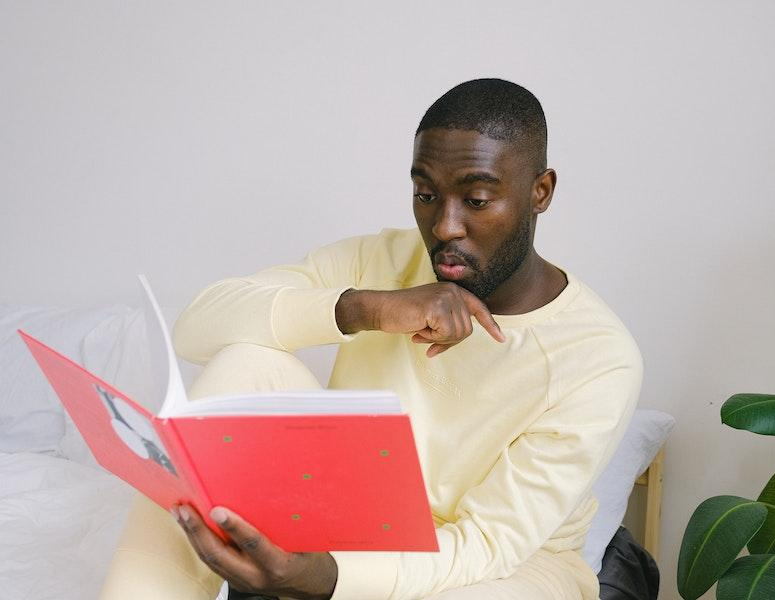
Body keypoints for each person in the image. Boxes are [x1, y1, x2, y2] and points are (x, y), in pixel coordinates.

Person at [100, 78, 642, 600]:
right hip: (356, 517)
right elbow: (197, 328)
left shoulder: (598, 357)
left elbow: (486, 543)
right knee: (249, 359)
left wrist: (325, 577)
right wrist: (363, 307)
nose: (444, 226)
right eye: (426, 195)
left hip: (512, 568)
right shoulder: (381, 261)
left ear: (540, 192)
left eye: (476, 200)